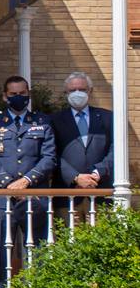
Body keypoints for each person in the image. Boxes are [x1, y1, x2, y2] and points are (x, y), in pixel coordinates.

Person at [0, 75, 55, 288]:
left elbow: (49, 157)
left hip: (34, 195)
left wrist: (25, 181)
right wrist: (9, 184)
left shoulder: (42, 122)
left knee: (36, 247)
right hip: (2, 197)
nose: (18, 97)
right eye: (13, 94)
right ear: (5, 96)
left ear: (29, 95)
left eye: (22, 94)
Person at [49, 72, 113, 225]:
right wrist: (76, 177)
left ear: (90, 91)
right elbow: (51, 153)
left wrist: (98, 173)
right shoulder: (53, 120)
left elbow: (115, 150)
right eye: (72, 90)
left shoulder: (107, 117)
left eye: (82, 89)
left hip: (100, 193)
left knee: (101, 243)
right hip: (67, 195)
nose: (77, 93)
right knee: (69, 243)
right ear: (66, 93)